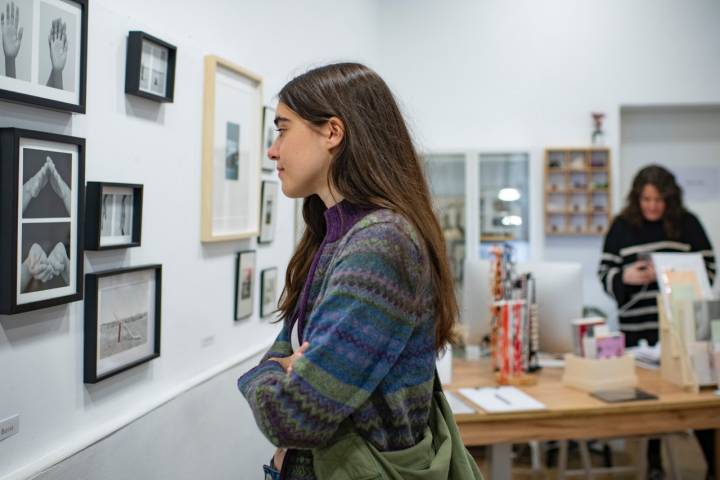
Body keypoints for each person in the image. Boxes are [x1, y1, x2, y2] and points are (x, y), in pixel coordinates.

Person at [237, 63, 464, 479]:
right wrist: (283, 367)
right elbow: (286, 347)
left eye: (283, 129)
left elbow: (289, 417)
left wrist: (261, 373)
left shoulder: (380, 242)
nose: (273, 150)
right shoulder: (335, 234)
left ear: (332, 133)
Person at [598, 165, 716, 480]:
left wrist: (671, 272)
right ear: (637, 198)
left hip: (685, 326)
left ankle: (713, 466)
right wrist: (627, 276)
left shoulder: (687, 224)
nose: (652, 206)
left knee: (697, 398)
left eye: (659, 200)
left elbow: (709, 269)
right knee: (650, 401)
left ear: (670, 200)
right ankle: (653, 465)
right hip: (639, 330)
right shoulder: (622, 226)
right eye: (647, 199)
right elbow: (604, 272)